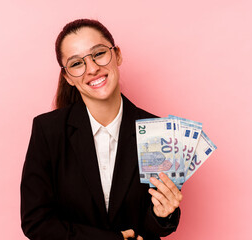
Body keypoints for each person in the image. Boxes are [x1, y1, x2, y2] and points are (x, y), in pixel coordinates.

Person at [20, 19, 183, 240]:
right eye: (77, 63)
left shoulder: (157, 132)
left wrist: (162, 215)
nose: (92, 68)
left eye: (98, 54)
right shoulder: (48, 131)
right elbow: (36, 223)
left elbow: (155, 227)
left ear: (117, 55)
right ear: (68, 77)